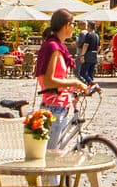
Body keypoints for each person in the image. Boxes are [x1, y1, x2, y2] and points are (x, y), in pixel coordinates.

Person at [32, 11, 95, 150]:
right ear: (67, 25)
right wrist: (75, 83)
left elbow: (58, 79)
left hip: (60, 107)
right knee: (52, 161)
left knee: (55, 157)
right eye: (73, 24)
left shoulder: (57, 46)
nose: (74, 27)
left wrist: (73, 90)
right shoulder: (53, 47)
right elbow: (48, 81)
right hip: (53, 109)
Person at [75, 22, 101, 87]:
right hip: (94, 55)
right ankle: (91, 88)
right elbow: (99, 47)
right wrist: (96, 52)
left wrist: (82, 55)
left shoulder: (88, 35)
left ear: (89, 27)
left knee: (82, 73)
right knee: (90, 73)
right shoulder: (97, 35)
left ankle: (93, 84)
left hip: (88, 55)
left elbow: (85, 45)